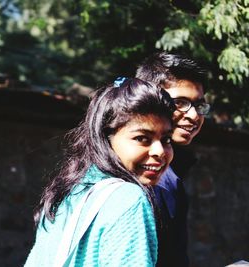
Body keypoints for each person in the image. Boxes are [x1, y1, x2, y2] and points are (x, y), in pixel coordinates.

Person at [25, 78, 175, 266]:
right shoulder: (128, 198)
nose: (160, 151)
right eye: (142, 138)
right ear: (106, 138)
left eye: (167, 140)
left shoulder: (67, 194)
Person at [136, 52, 211, 267]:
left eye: (199, 105)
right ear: (147, 98)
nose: (194, 115)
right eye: (180, 103)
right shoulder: (145, 174)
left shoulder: (170, 172)